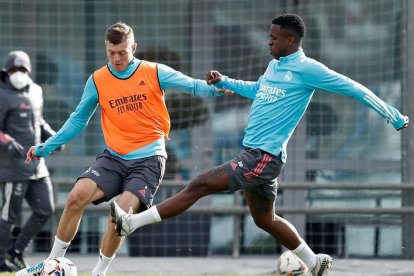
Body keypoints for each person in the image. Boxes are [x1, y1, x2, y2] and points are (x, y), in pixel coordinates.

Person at [110, 14, 409, 276]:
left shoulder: (308, 69)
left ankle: (132, 223)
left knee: (199, 184)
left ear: (291, 40)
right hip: (254, 155)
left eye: (273, 38)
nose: (268, 42)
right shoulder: (274, 66)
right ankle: (314, 262)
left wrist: (393, 116)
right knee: (266, 219)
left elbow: (353, 88)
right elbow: (258, 90)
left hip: (263, 158)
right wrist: (224, 81)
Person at [21, 22, 228, 276]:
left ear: (134, 47)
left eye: (123, 52)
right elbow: (78, 119)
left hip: (149, 160)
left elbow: (193, 85)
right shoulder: (97, 80)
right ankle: (52, 265)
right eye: (111, 53)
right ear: (106, 49)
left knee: (118, 217)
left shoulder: (154, 71)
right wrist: (45, 147)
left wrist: (217, 87)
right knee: (76, 196)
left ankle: (99, 272)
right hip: (114, 158)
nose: (117, 58)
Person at [0, 51, 58, 272]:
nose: (18, 74)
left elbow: (38, 121)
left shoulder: (36, 91)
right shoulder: (2, 94)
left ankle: (17, 250)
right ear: (6, 72)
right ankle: (0, 258)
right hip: (12, 167)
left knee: (46, 209)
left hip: (37, 166)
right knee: (8, 216)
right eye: (14, 70)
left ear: (29, 71)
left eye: (22, 70)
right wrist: (7, 141)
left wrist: (52, 138)